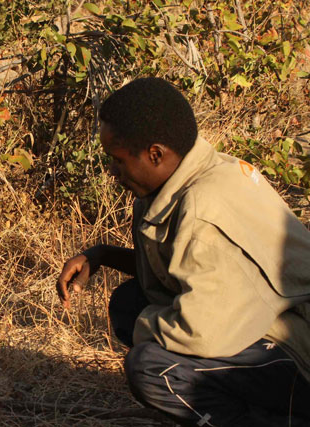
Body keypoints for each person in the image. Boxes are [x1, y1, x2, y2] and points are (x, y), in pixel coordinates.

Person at [56, 77, 310, 427]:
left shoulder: (202, 208)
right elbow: (177, 269)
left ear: (155, 154)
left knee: (152, 367)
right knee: (131, 302)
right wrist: (104, 255)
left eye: (117, 160)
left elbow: (199, 331)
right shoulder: (184, 178)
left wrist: (147, 326)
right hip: (268, 321)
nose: (112, 172)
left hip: (298, 353)